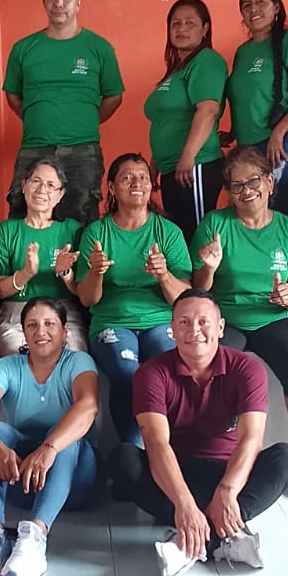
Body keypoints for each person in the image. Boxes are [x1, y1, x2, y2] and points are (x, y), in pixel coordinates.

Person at [109, 290, 288, 576]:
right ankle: (224, 538)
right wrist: (184, 504)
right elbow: (156, 442)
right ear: (172, 330)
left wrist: (227, 491)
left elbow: (251, 439)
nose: (194, 330)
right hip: (176, 476)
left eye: (204, 322)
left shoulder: (246, 368)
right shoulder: (151, 373)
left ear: (221, 327)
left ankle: (189, 543)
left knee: (287, 458)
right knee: (123, 457)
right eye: (184, 323)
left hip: (230, 474)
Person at [191, 146, 288, 503]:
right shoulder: (215, 225)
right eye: (236, 186)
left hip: (273, 318)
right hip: (227, 319)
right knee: (212, 372)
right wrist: (209, 268)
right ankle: (218, 460)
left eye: (253, 181)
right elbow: (198, 288)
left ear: (269, 183)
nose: (246, 191)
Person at [0, 299, 100, 576]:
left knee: (63, 436)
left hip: (75, 479)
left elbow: (88, 406)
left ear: (64, 330)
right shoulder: (8, 365)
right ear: (24, 332)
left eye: (50, 324)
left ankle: (35, 538)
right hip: (23, 480)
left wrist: (49, 447)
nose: (41, 332)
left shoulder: (78, 362)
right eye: (32, 325)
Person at [77, 153, 191, 446]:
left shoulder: (168, 232)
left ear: (151, 186)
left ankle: (167, 449)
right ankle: (136, 450)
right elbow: (88, 299)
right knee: (127, 373)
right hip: (112, 322)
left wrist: (164, 275)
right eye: (127, 178)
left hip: (160, 320)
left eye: (143, 177)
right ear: (112, 188)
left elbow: (184, 298)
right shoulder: (96, 233)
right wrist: (96, 272)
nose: (136, 183)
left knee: (166, 369)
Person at [3, 0, 125, 223]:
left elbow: (114, 97)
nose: (59, 3)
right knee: (23, 216)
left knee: (82, 220)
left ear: (78, 3)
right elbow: (13, 96)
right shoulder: (23, 48)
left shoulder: (99, 48)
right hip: (34, 147)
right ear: (44, 3)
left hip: (83, 151)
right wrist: (37, 116)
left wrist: (86, 120)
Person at [224, 0, 288, 216]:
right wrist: (233, 133)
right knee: (249, 211)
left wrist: (279, 133)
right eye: (247, 5)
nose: (253, 9)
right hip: (248, 145)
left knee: (272, 208)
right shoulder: (243, 52)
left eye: (260, 2)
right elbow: (244, 96)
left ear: (276, 8)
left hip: (282, 141)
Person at [144, 0, 228, 241]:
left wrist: (189, 156)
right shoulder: (177, 70)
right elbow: (167, 121)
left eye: (190, 23)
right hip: (172, 167)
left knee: (198, 238)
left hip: (195, 166)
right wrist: (154, 164)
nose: (181, 29)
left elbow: (208, 110)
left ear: (205, 29)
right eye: (176, 24)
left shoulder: (206, 60)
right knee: (180, 237)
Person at [0, 158, 86, 357]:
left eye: (51, 185)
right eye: (36, 181)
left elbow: (83, 292)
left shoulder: (72, 230)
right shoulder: (6, 230)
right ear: (24, 186)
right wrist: (26, 273)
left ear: (60, 194)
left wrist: (65, 273)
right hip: (17, 313)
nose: (42, 189)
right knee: (17, 357)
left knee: (75, 358)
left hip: (62, 311)